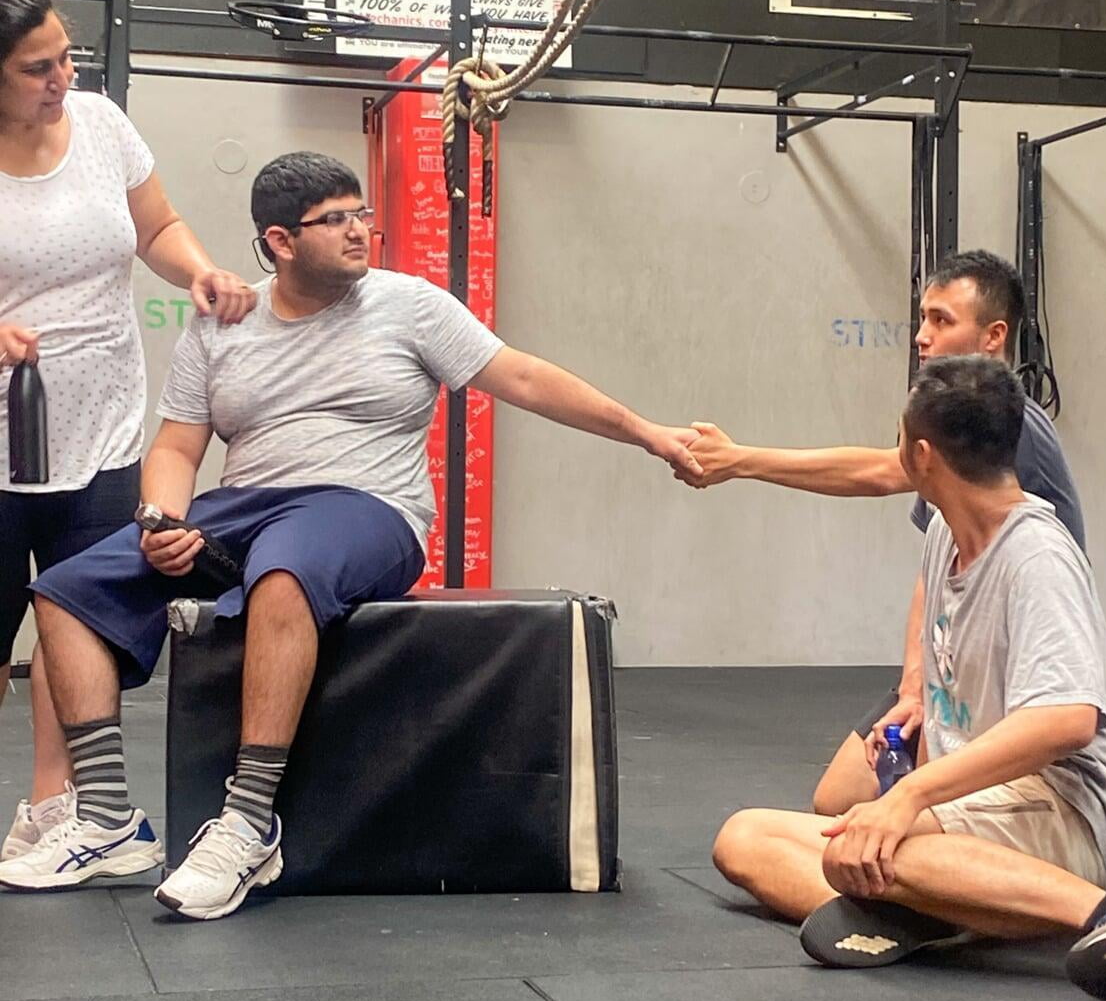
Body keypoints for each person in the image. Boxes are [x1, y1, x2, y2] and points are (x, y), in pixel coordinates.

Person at [0, 151, 703, 918]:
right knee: (64, 591)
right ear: (280, 241)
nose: (360, 230)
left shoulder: (412, 307)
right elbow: (176, 446)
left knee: (284, 573)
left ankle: (247, 823)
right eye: (335, 220)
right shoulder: (223, 324)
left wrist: (648, 433)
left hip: (367, 507)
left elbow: (527, 379)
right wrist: (163, 520)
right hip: (244, 508)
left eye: (361, 213)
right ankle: (106, 817)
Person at [713, 356, 1106, 1001]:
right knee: (745, 838)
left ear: (921, 455)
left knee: (864, 851)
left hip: (1064, 814)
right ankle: (941, 908)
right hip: (977, 811)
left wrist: (910, 796)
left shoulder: (1037, 556)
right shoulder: (946, 529)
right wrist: (915, 701)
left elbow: (1068, 720)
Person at [683, 250, 1085, 817]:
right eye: (922, 318)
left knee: (882, 821)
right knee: (837, 800)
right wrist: (915, 689)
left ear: (994, 336)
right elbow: (937, 573)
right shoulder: (947, 429)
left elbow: (877, 473)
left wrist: (740, 460)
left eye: (941, 320)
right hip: (957, 664)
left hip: (1011, 667)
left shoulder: (1007, 428)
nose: (922, 336)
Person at [0, 0, 256, 864]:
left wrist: (198, 270)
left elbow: (157, 227)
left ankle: (54, 804)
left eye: (66, 56)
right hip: (1, 439)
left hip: (100, 431)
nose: (62, 77)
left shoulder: (102, 125)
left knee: (70, 614)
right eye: (37, 67)